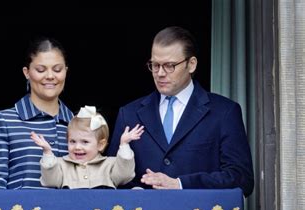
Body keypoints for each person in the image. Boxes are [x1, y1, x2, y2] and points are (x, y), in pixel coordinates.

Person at [107, 26, 254, 196]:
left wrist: (180, 184)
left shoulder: (224, 112)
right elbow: (111, 178)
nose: (160, 73)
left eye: (169, 66)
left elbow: (242, 179)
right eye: (155, 65)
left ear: (191, 65)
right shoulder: (129, 114)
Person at [0, 37, 74, 189]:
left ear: (66, 71)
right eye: (41, 70)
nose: (50, 76)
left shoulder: (77, 122)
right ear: (26, 72)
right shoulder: (3, 121)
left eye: (57, 69)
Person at [31, 106, 144, 189]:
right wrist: (47, 152)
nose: (77, 147)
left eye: (85, 142)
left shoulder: (109, 164)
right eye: (72, 141)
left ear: (100, 145)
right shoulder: (61, 164)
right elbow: (50, 181)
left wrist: (124, 145)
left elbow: (125, 175)